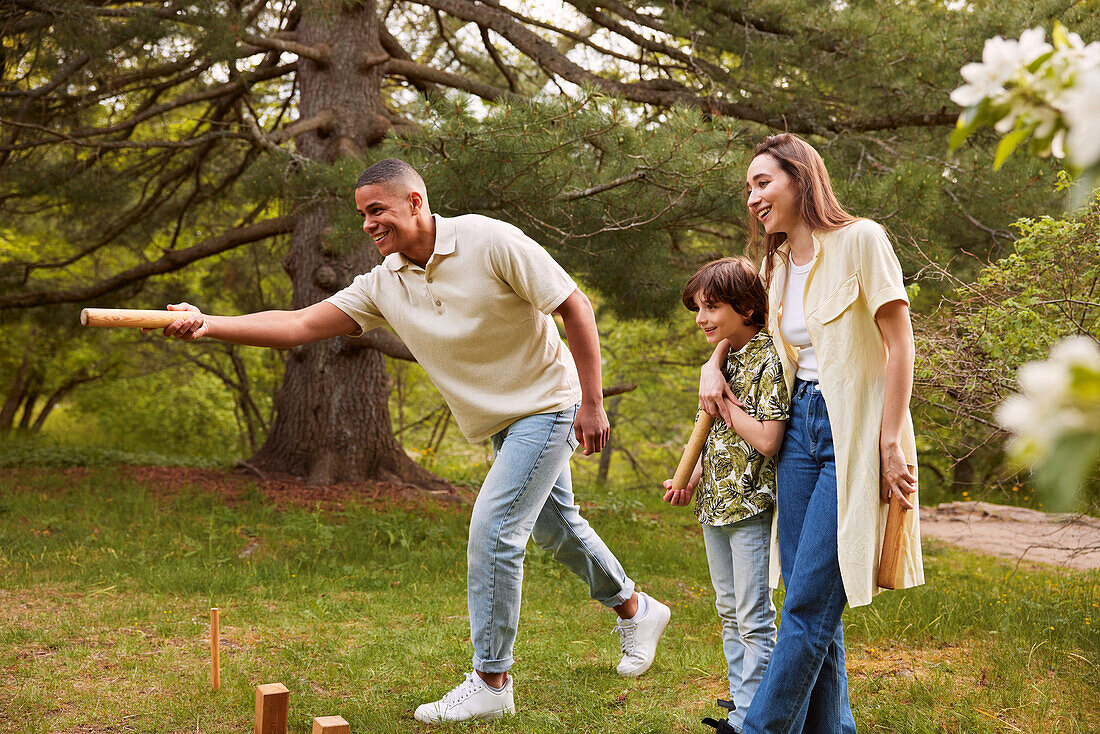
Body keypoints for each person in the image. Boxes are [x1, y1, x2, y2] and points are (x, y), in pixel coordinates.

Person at [157, 158, 671, 723]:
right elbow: (299, 325)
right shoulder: (384, 284)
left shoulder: (489, 240)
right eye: (361, 215)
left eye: (377, 210)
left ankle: (491, 679)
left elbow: (573, 305)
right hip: (499, 421)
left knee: (495, 528)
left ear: (415, 202)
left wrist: (593, 403)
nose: (368, 224)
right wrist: (209, 323)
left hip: (548, 404)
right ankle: (636, 608)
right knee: (555, 526)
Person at [699, 134, 923, 733]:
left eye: (763, 182)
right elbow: (756, 332)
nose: (753, 197)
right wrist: (712, 362)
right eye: (748, 187)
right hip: (799, 428)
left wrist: (890, 439)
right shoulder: (774, 265)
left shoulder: (861, 241)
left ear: (800, 179)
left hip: (855, 430)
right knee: (811, 596)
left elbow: (899, 345)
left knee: (805, 603)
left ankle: (759, 728)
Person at [663, 257, 789, 734]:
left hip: (750, 505)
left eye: (711, 307)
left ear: (748, 308)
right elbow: (712, 431)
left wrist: (727, 405)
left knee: (754, 616)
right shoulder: (726, 358)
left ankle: (753, 715)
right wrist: (691, 474)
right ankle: (741, 698)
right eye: (698, 308)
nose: (701, 318)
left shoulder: (767, 360)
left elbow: (767, 440)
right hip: (714, 503)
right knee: (727, 610)